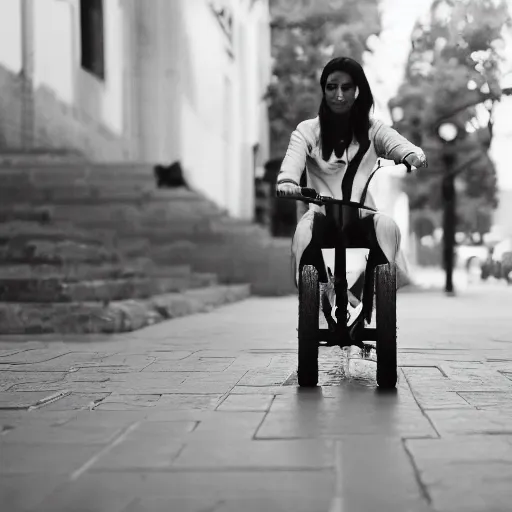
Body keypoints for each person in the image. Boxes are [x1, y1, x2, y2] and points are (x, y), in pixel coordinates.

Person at [276, 56, 427, 330]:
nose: (339, 94)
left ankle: (369, 296)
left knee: (388, 227)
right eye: (332, 86)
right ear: (324, 89)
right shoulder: (308, 130)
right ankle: (319, 292)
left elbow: (399, 145)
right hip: (321, 216)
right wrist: (287, 181)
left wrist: (412, 155)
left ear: (358, 90)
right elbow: (292, 161)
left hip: (361, 215)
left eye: (346, 87)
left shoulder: (373, 129)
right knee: (303, 234)